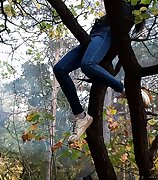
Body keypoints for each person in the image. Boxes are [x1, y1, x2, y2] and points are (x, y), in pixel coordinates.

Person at [53, 5, 137, 144]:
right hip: (93, 36)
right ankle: (81, 116)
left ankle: (123, 90)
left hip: (105, 33)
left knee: (88, 65)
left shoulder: (132, 5)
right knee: (59, 69)